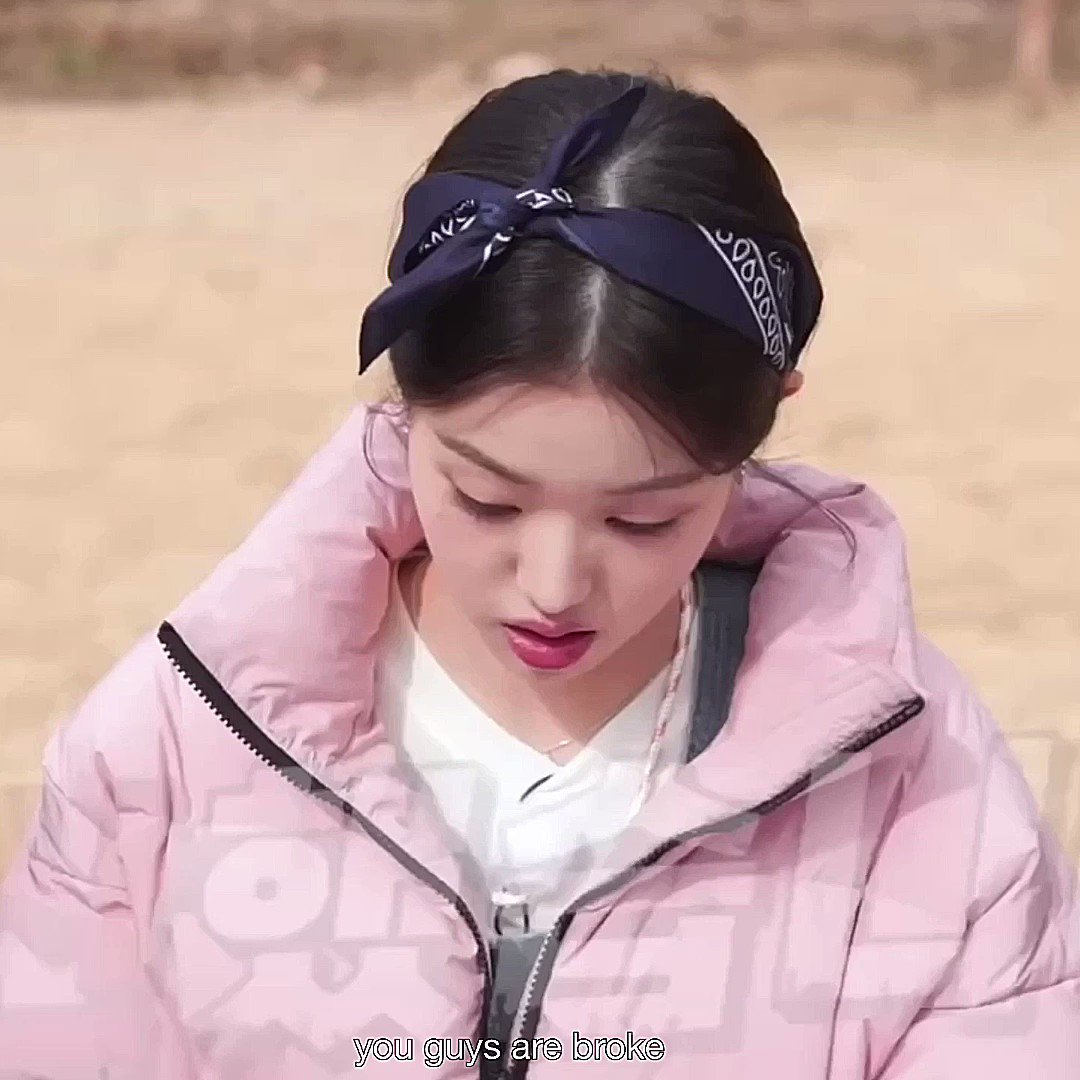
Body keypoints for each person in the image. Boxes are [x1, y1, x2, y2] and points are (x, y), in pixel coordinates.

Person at [0, 68, 1077, 1080]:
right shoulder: (178, 735)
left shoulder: (914, 779)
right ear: (404, 399)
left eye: (644, 517)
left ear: (765, 423)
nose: (554, 585)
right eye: (487, 500)